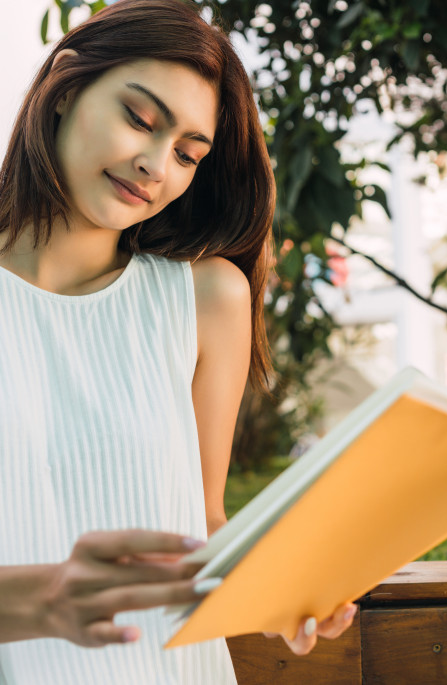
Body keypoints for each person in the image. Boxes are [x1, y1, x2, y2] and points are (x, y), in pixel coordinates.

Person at [0, 0, 357, 682]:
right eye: (139, 119)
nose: (155, 164)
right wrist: (44, 600)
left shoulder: (205, 299)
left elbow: (202, 522)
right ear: (65, 89)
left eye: (189, 153)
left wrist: (282, 587)